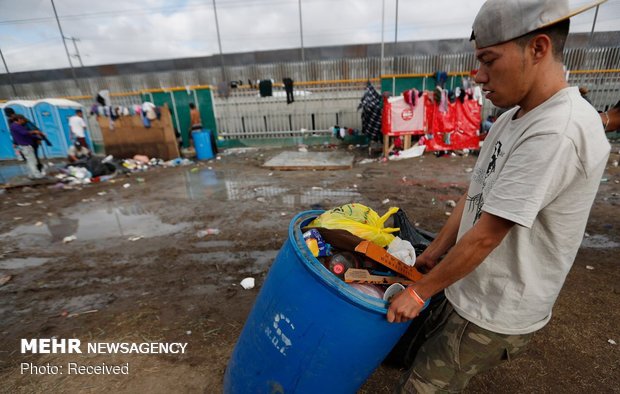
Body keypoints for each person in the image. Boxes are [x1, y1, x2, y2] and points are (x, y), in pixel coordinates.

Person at [387, 0, 611, 392]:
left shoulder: (560, 130)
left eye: (489, 60)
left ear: (538, 49)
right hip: (469, 285)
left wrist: (420, 291)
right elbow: (475, 194)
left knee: (422, 386)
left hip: (495, 308)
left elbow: (489, 233)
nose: (479, 76)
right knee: (419, 355)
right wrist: (432, 253)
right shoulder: (511, 118)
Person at [9, 114, 47, 179]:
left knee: (30, 161)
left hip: (25, 145)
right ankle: (37, 175)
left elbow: (26, 135)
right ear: (19, 119)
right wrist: (35, 132)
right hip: (25, 145)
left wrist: (38, 137)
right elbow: (25, 133)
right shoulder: (16, 126)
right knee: (32, 161)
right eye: (22, 120)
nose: (23, 121)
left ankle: (31, 175)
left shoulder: (15, 126)